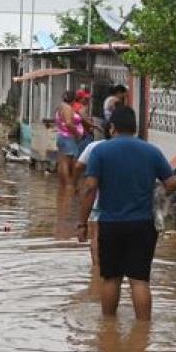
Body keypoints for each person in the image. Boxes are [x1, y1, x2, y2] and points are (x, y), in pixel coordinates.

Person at [78, 106, 176, 320]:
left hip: (111, 224)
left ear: (112, 127)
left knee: (111, 279)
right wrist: (155, 194)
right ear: (135, 128)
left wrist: (82, 223)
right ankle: (143, 331)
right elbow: (172, 183)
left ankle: (108, 328)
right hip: (143, 224)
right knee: (140, 280)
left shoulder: (100, 152)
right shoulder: (151, 151)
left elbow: (89, 188)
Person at [73, 120, 112, 295]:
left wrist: (74, 184)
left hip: (99, 199)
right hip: (126, 204)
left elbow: (79, 167)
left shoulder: (95, 147)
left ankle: (97, 271)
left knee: (96, 234)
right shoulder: (136, 148)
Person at [55, 90, 83, 188]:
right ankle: (69, 185)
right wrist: (76, 133)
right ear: (73, 100)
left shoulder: (61, 107)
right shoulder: (67, 108)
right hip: (68, 137)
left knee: (63, 161)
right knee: (68, 162)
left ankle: (63, 185)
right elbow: (68, 123)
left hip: (62, 136)